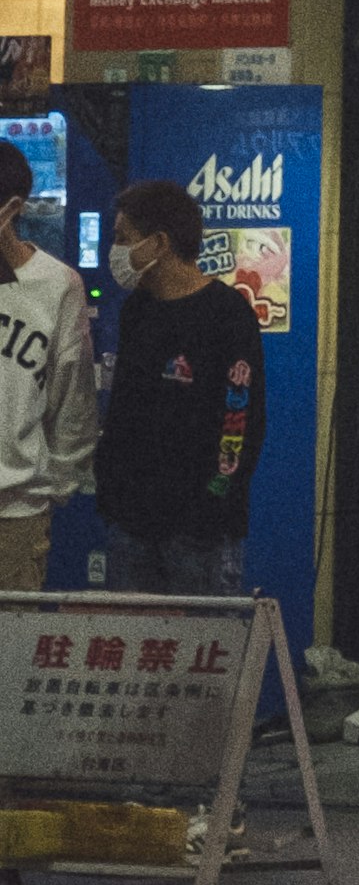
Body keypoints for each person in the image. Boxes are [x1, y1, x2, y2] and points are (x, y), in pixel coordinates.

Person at [91, 181, 265, 597]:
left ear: (159, 243)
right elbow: (126, 410)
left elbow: (240, 422)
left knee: (196, 659)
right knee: (130, 654)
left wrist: (213, 502)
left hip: (199, 536)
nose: (114, 251)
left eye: (122, 239)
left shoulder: (227, 313)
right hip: (132, 526)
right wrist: (110, 490)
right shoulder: (138, 309)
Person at [0, 162, 98, 594]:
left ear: (12, 209)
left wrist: (50, 491)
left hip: (16, 511)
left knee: (13, 654)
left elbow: (72, 399)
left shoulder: (57, 285)